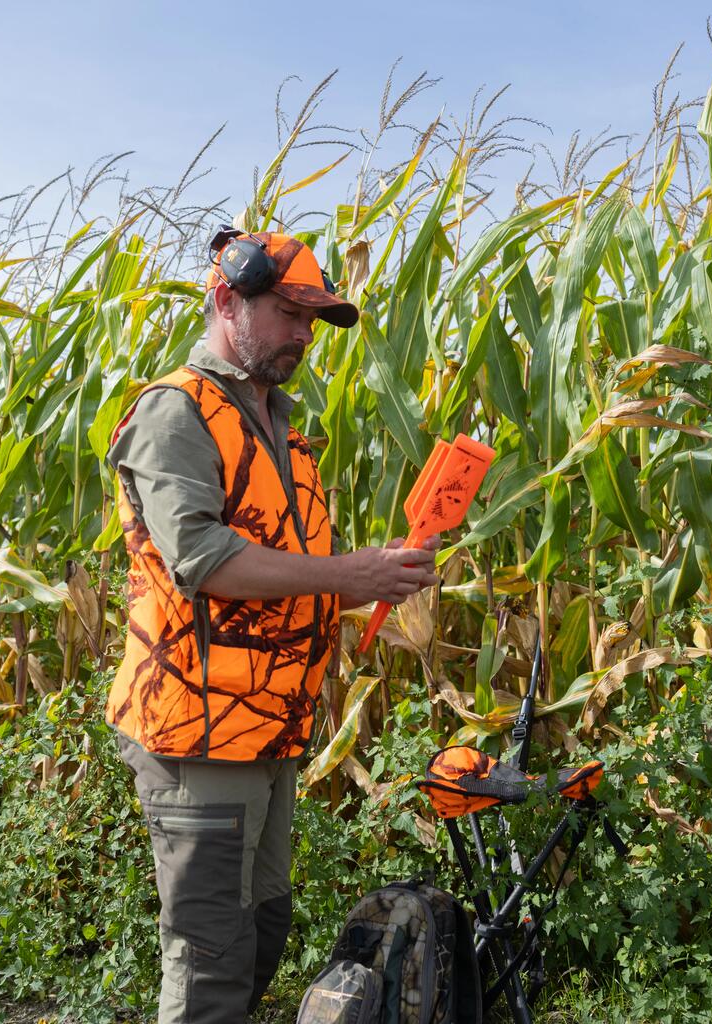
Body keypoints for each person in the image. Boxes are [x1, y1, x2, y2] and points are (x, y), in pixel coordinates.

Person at [106, 226, 440, 1024]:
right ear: (227, 299)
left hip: (271, 732)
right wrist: (344, 574)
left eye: (312, 319)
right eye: (288, 312)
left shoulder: (288, 435)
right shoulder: (177, 412)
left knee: (262, 934)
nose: (303, 334)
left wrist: (379, 576)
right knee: (211, 961)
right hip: (198, 729)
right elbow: (204, 558)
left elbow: (290, 577)